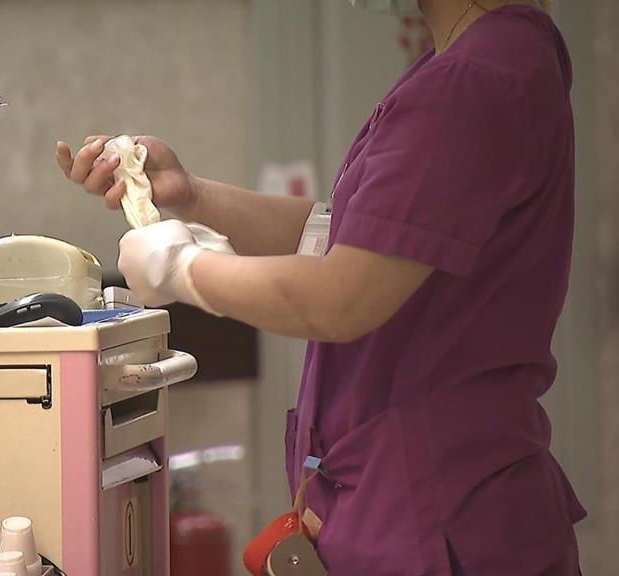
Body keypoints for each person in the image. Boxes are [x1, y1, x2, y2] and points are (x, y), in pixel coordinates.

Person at [55, 0, 584, 574]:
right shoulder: (495, 55)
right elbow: (347, 238)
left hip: (436, 519)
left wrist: (180, 267)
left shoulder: (470, 81)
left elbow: (343, 295)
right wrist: (192, 195)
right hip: (428, 500)